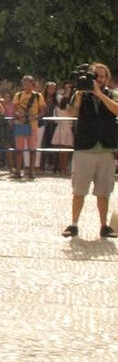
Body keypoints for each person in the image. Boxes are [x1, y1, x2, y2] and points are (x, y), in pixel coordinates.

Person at [63, 63, 118, 239]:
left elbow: (116, 110)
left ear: (106, 79)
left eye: (102, 76)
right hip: (85, 148)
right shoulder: (80, 94)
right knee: (79, 190)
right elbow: (71, 113)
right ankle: (74, 224)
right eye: (96, 76)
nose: (99, 79)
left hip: (105, 148)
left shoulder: (112, 94)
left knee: (104, 191)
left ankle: (104, 226)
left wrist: (99, 94)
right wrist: (79, 94)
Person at [11, 75, 47, 180]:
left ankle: (31, 170)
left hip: (32, 124)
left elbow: (43, 110)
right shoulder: (18, 95)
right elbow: (13, 109)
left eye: (27, 83)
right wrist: (18, 116)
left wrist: (36, 116)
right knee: (19, 149)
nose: (25, 85)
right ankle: (18, 170)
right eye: (24, 83)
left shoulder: (38, 96)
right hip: (21, 123)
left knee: (32, 149)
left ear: (32, 84)